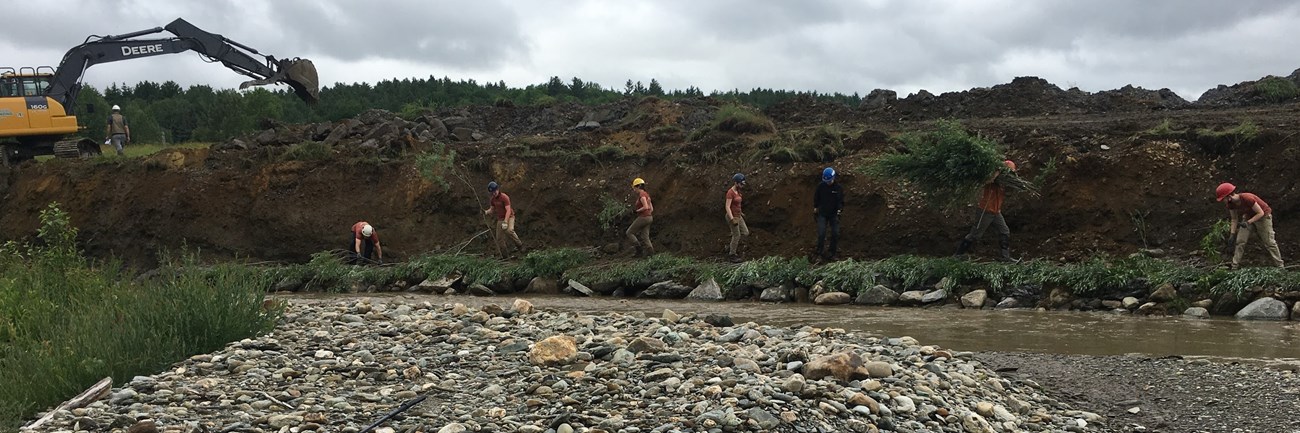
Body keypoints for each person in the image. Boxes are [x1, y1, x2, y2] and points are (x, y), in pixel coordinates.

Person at [955, 160, 1019, 262]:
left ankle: (1005, 257)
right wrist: (996, 173)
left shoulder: (1003, 183)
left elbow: (1011, 190)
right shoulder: (993, 178)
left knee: (1004, 231)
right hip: (985, 210)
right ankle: (958, 254)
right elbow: (986, 181)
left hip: (996, 212)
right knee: (975, 234)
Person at [1216, 182, 1284, 269]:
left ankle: (1280, 266)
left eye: (1223, 199)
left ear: (1229, 196)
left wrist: (1248, 222)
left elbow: (1260, 213)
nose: (1223, 201)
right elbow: (1234, 219)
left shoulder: (1247, 198)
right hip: (1248, 217)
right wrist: (1232, 234)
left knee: (1269, 242)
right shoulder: (1230, 204)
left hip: (1263, 217)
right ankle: (1234, 266)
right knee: (1240, 241)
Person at [484, 181, 525, 258]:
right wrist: (486, 212)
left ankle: (520, 245)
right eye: (492, 192)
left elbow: (508, 210)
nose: (494, 193)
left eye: (495, 191)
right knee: (499, 238)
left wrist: (506, 221)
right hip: (500, 219)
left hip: (509, 217)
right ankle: (505, 256)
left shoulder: (504, 197)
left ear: (498, 189)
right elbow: (492, 209)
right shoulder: (493, 200)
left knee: (509, 230)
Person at [813, 167, 843, 261]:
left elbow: (841, 201)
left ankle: (832, 253)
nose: (828, 182)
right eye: (826, 181)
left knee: (835, 233)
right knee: (821, 234)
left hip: (833, 214)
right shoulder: (821, 186)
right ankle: (819, 253)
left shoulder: (838, 188)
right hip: (822, 213)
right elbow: (816, 197)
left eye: (829, 181)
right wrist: (815, 207)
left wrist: (839, 210)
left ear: (833, 178)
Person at [626, 177, 655, 257]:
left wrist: (636, 211)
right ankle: (651, 254)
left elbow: (645, 207)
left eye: (634, 187)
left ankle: (639, 251)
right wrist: (647, 214)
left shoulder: (642, 195)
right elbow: (651, 208)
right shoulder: (647, 195)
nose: (634, 189)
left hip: (644, 217)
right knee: (645, 236)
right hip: (649, 217)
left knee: (629, 232)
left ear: (638, 186)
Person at [726, 173, 749, 262]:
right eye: (740, 184)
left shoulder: (738, 191)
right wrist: (732, 219)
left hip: (738, 215)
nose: (742, 186)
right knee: (737, 235)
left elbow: (737, 204)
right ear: (736, 183)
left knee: (746, 232)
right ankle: (732, 254)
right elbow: (727, 207)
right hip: (732, 216)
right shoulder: (730, 193)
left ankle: (731, 245)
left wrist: (741, 213)